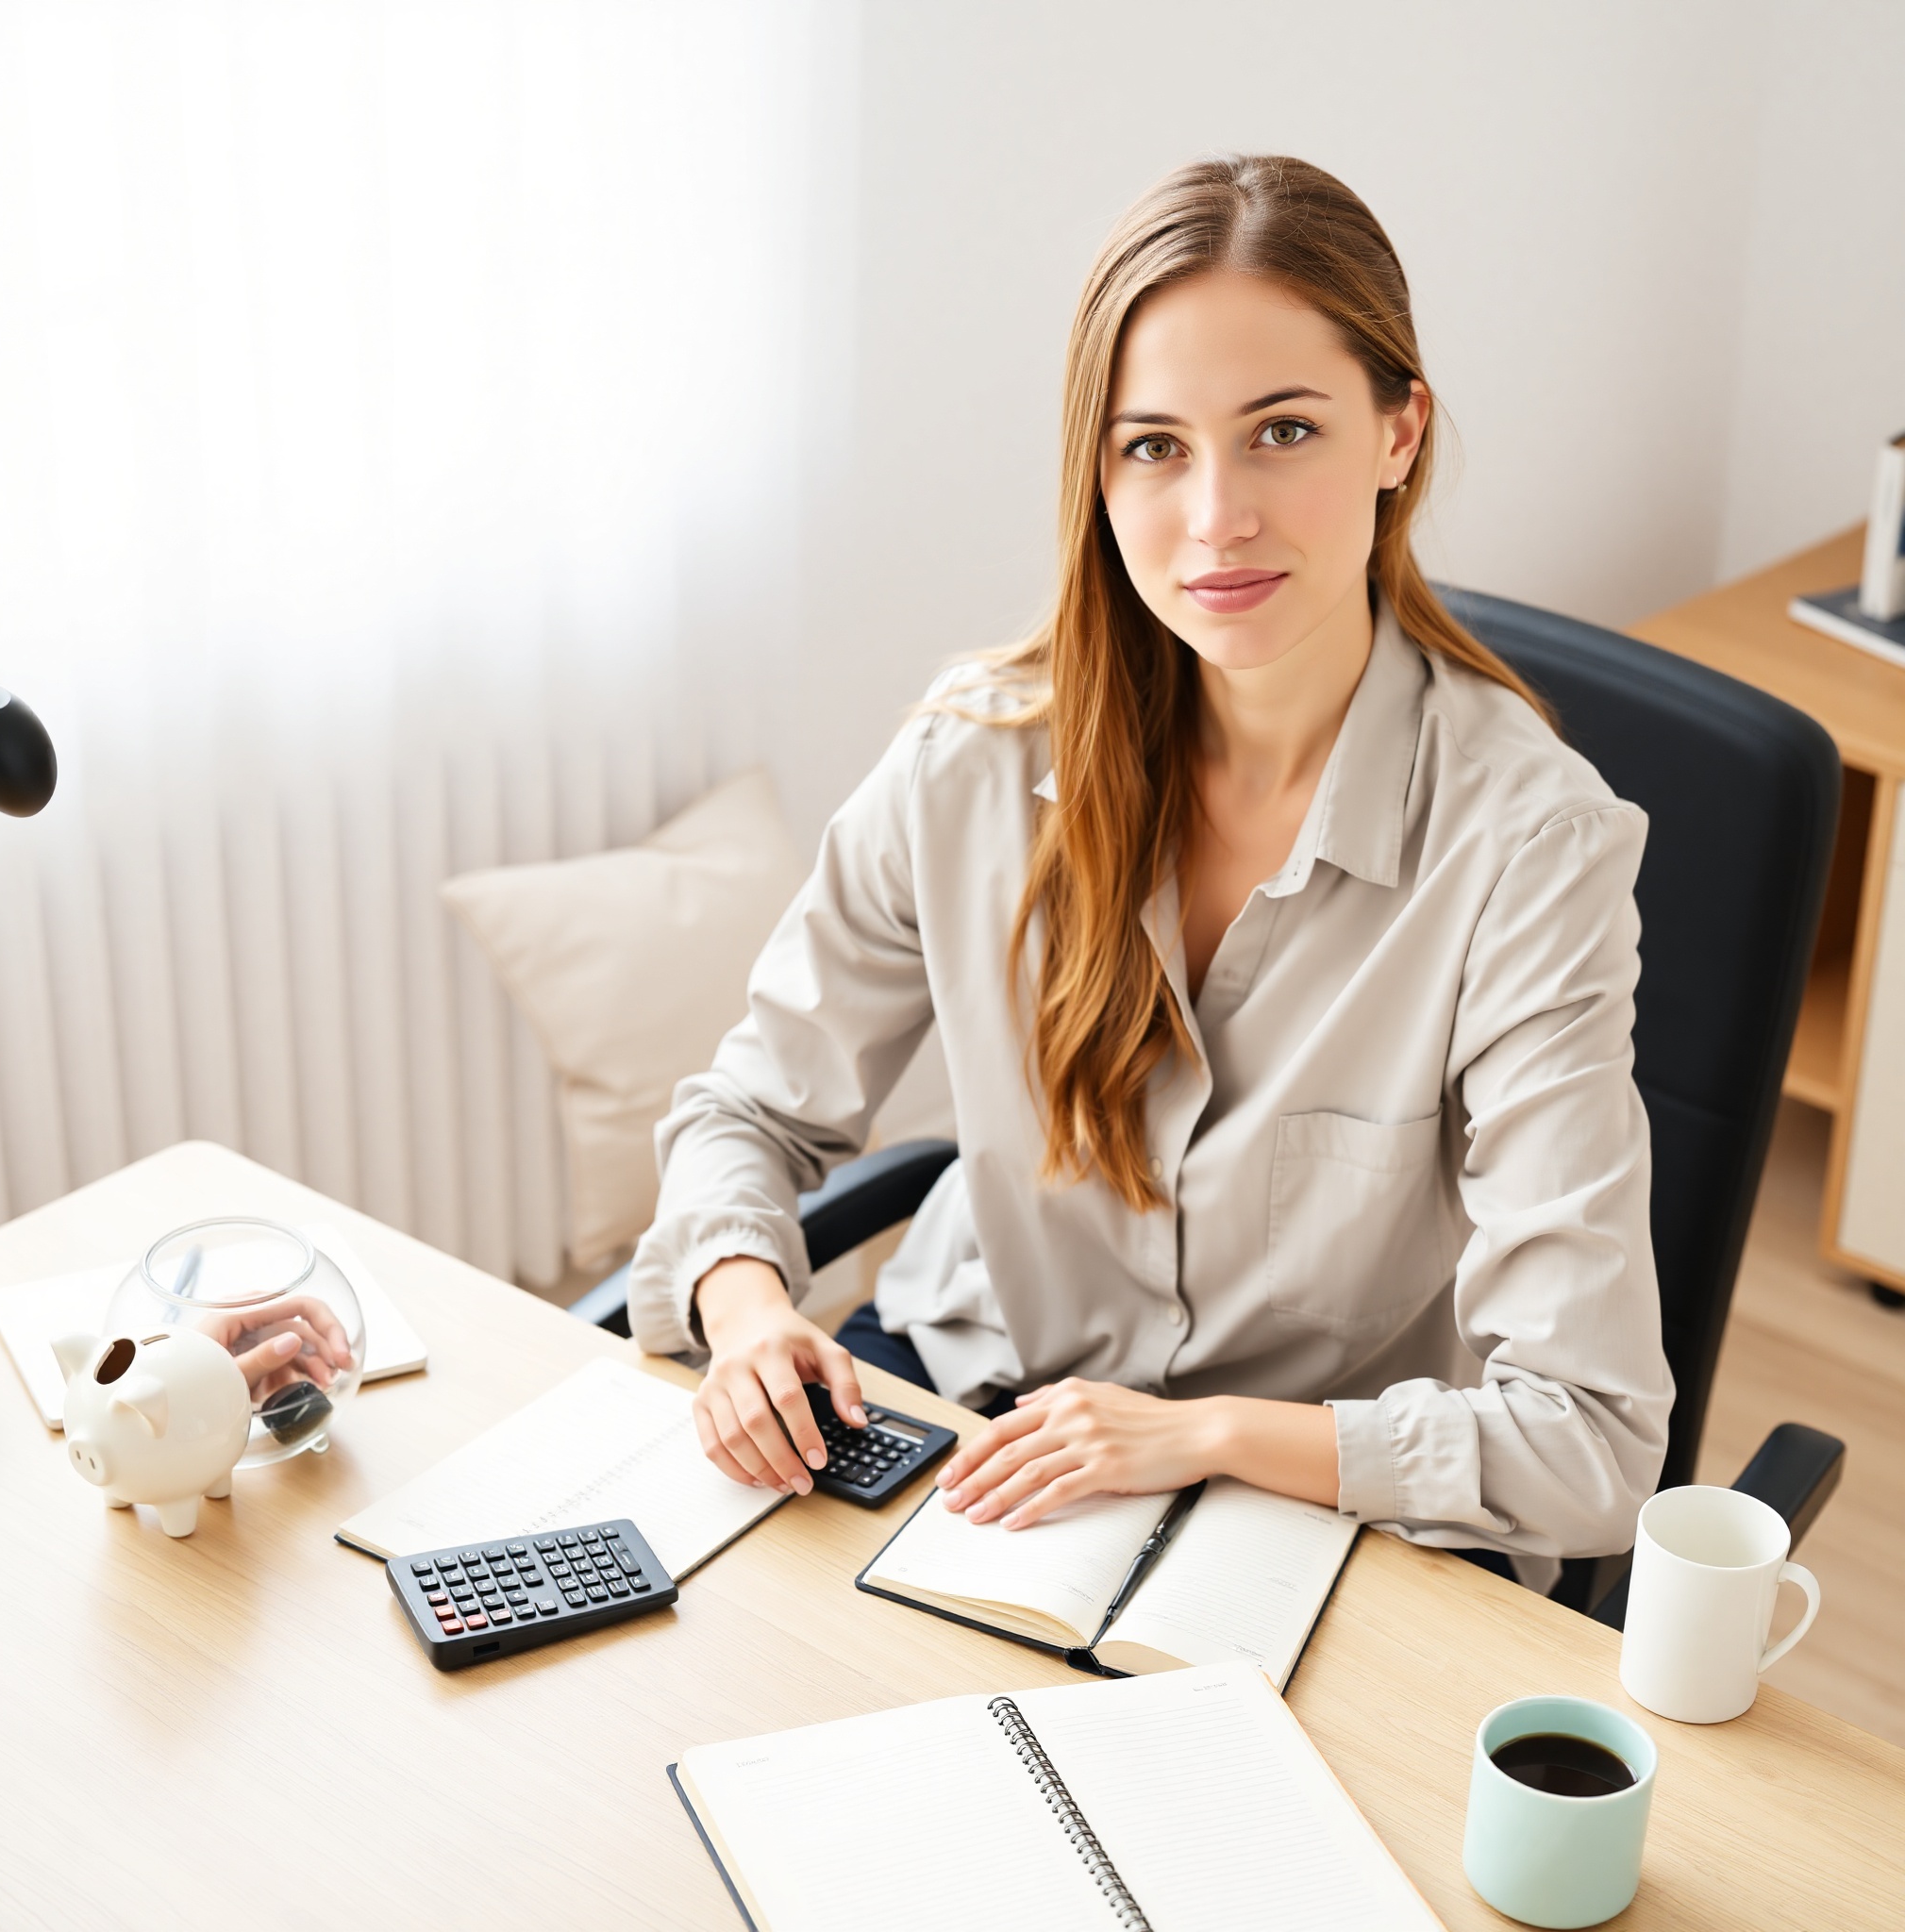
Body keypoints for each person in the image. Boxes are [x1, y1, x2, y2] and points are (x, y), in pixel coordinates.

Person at [628, 154, 1673, 1590]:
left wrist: (1208, 1436)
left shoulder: (1527, 847)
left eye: (1283, 431)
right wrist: (746, 1314)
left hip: (1305, 1519)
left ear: (1399, 433)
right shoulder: (974, 761)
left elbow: (1591, 1446)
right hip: (971, 1415)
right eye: (1155, 446)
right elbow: (745, 1108)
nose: (1216, 518)